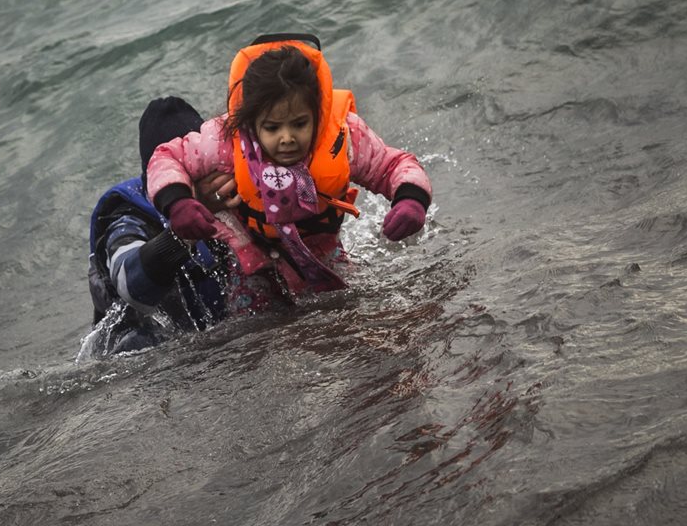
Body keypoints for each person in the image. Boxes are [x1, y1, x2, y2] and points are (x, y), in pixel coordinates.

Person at [146, 33, 432, 311]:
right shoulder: (224, 141)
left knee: (352, 310)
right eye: (272, 128)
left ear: (318, 113)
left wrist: (411, 200)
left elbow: (393, 165)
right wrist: (178, 203)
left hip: (325, 257)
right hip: (253, 269)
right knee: (259, 330)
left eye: (299, 124)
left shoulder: (343, 137)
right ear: (250, 120)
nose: (287, 138)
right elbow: (166, 158)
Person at [84, 96, 241, 356]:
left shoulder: (224, 190)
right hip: (135, 360)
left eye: (201, 167)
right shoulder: (126, 216)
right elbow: (130, 284)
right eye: (183, 173)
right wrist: (185, 227)